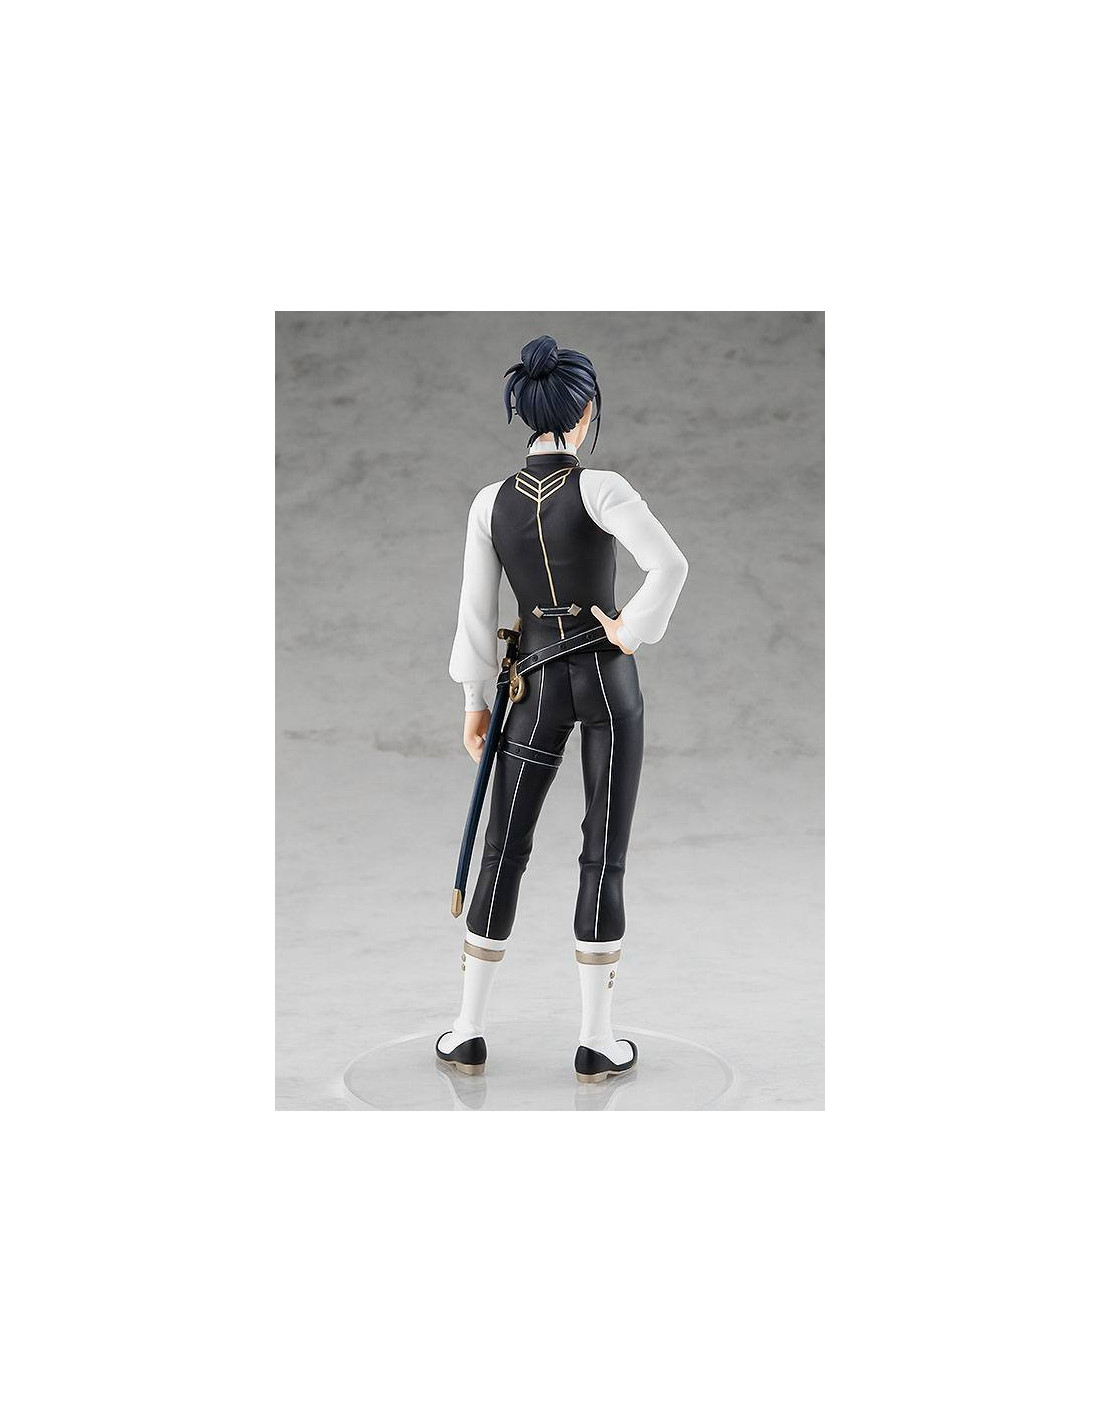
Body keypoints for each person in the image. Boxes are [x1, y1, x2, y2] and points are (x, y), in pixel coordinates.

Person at [437, 335, 688, 1084]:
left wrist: (473, 699)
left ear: (527, 413)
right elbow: (669, 565)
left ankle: (467, 1030)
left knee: (502, 846)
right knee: (603, 850)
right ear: (584, 413)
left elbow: (475, 613)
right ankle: (595, 1041)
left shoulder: (490, 502)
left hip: (532, 685)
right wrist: (630, 628)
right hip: (607, 677)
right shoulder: (603, 488)